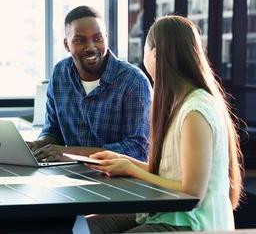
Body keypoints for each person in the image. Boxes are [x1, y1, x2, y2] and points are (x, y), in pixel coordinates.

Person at [85, 15, 243, 232]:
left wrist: (132, 168)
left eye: (145, 52)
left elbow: (192, 192)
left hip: (192, 223)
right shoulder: (180, 102)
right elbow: (172, 172)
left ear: (156, 54)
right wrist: (123, 161)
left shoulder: (195, 111)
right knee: (84, 227)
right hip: (168, 213)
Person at [28, 5, 152, 162]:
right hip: (70, 176)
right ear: (67, 44)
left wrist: (70, 153)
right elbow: (53, 130)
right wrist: (36, 145)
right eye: (80, 40)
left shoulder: (133, 81)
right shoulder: (60, 74)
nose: (91, 47)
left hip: (118, 180)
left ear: (106, 38)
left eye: (98, 39)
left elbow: (137, 149)